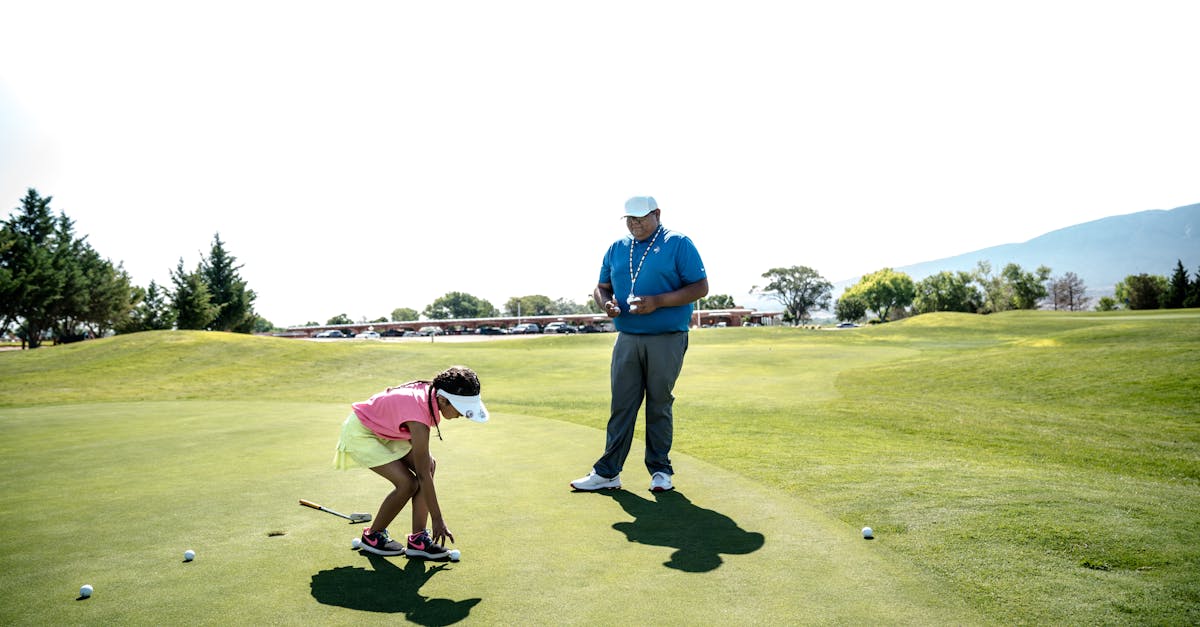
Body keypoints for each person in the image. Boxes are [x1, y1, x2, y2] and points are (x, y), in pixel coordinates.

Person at [571, 196, 708, 493]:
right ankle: (608, 472)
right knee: (621, 405)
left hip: (667, 337)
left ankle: (660, 470)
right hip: (627, 338)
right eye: (630, 219)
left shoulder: (678, 243)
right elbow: (601, 287)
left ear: (657, 213)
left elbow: (700, 287)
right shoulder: (617, 248)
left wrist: (658, 301)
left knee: (659, 403)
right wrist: (606, 304)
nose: (635, 224)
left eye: (641, 218)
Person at [334, 365, 489, 557]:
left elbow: (424, 468)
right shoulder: (419, 417)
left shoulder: (432, 395)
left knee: (429, 465)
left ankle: (418, 539)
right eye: (461, 408)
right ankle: (373, 536)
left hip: (385, 429)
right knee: (408, 483)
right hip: (361, 432)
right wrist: (437, 519)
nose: (463, 414)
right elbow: (422, 476)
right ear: (443, 399)